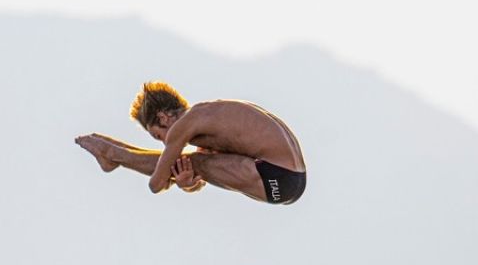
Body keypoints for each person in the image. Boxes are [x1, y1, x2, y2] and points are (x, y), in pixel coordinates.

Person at [75, 81, 307, 205]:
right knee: (196, 162)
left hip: (277, 179)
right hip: (288, 179)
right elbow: (201, 173)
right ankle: (114, 153)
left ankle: (113, 154)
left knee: (192, 161)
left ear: (164, 118)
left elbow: (156, 184)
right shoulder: (209, 121)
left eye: (158, 135)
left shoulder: (187, 123)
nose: (164, 142)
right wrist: (187, 183)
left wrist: (173, 178)